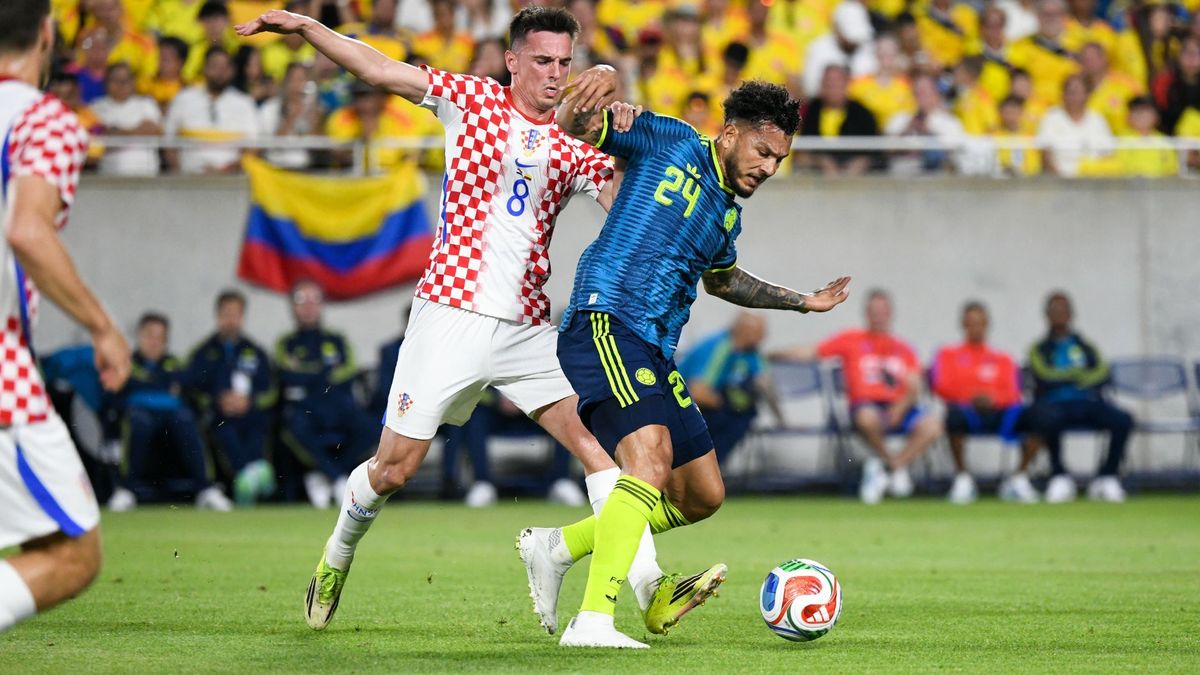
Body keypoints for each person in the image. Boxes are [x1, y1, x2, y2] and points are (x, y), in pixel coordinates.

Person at [235, 5, 687, 638]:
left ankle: (648, 587)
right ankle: (337, 553)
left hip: (528, 328)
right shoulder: (470, 100)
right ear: (512, 61)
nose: (554, 74)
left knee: (601, 449)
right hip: (450, 315)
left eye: (565, 63)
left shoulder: (578, 146)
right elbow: (381, 70)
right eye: (542, 61)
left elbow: (633, 210)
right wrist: (310, 28)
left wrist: (625, 112)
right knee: (394, 470)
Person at [542, 81, 851, 648]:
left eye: (779, 159)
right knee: (649, 460)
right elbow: (572, 123)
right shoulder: (669, 139)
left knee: (702, 494)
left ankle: (559, 547)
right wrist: (599, 81)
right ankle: (592, 622)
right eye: (763, 151)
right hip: (606, 318)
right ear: (730, 133)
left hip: (655, 349)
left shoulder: (726, 216)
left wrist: (803, 301)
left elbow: (724, 281)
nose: (769, 167)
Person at [0, 0, 131, 633]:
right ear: (47, 34)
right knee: (74, 552)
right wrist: (102, 327)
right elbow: (28, 230)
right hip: (4, 369)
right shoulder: (42, 119)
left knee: (38, 539)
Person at [776, 289, 942, 504]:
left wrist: (900, 409)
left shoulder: (903, 348)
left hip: (901, 406)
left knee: (932, 425)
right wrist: (774, 354)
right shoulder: (851, 339)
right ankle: (894, 468)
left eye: (882, 311)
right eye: (874, 312)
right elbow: (813, 352)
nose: (878, 316)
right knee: (867, 418)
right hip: (867, 406)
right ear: (866, 314)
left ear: (890, 314)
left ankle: (887, 469)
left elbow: (914, 385)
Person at [105, 314, 232, 513]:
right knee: (138, 420)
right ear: (139, 336)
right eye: (149, 335)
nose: (154, 342)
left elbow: (185, 391)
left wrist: (145, 391)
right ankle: (125, 489)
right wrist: (160, 392)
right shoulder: (125, 365)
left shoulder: (175, 364)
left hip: (171, 421)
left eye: (160, 337)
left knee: (186, 419)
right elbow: (116, 398)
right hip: (138, 419)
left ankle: (206, 489)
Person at [275, 280, 377, 509]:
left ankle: (328, 475)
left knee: (374, 427)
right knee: (293, 428)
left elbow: (349, 372)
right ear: (293, 307)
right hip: (304, 408)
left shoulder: (337, 339)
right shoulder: (285, 343)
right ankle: (339, 480)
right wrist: (325, 373)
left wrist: (307, 373)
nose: (309, 305)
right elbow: (287, 375)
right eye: (302, 300)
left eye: (314, 299)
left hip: (337, 405)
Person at [1026, 292, 1132, 503]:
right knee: (1046, 419)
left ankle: (1107, 476)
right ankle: (1059, 475)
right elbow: (1043, 376)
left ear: (1071, 314)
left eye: (1063, 310)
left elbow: (1102, 372)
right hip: (1054, 403)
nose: (1059, 315)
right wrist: (1075, 375)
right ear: (1047, 315)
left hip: (1087, 402)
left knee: (1122, 419)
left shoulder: (1086, 346)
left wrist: (1075, 379)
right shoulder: (1038, 349)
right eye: (1055, 311)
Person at [931, 301, 1040, 504]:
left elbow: (1013, 392)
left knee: (1039, 416)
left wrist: (993, 399)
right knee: (953, 417)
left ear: (987, 325)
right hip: (967, 411)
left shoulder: (1002, 358)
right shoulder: (948, 355)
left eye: (980, 323)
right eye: (971, 323)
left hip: (999, 413)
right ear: (963, 325)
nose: (976, 328)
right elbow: (941, 386)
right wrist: (971, 397)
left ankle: (1019, 477)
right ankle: (963, 478)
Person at [186, 290, 277, 506]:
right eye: (226, 314)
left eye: (236, 314)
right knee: (223, 430)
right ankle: (250, 478)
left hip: (251, 415)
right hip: (217, 416)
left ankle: (248, 482)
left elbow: (271, 391)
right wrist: (218, 401)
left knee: (259, 427)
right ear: (217, 316)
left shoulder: (256, 352)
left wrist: (249, 401)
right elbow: (190, 389)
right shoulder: (202, 352)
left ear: (242, 316)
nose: (231, 319)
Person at [678, 312, 783, 466]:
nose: (763, 338)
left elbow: (765, 383)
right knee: (731, 415)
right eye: (760, 332)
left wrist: (781, 421)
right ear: (745, 331)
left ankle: (712, 466)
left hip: (715, 407)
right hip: (683, 407)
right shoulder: (718, 346)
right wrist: (725, 404)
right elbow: (698, 392)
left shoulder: (751, 353)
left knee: (746, 412)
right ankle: (700, 467)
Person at [163, 47, 260, 174]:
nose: (220, 72)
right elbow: (168, 142)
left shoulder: (244, 103)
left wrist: (228, 170)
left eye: (225, 67)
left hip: (232, 179)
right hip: (189, 177)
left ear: (232, 71)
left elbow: (253, 147)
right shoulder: (183, 99)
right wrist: (179, 174)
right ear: (204, 68)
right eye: (215, 66)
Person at [91, 62, 163, 177]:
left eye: (126, 80)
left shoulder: (146, 103)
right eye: (116, 80)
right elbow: (98, 142)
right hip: (108, 176)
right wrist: (136, 131)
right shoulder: (95, 108)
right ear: (106, 82)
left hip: (146, 174)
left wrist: (117, 132)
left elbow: (151, 130)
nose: (122, 84)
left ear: (133, 81)